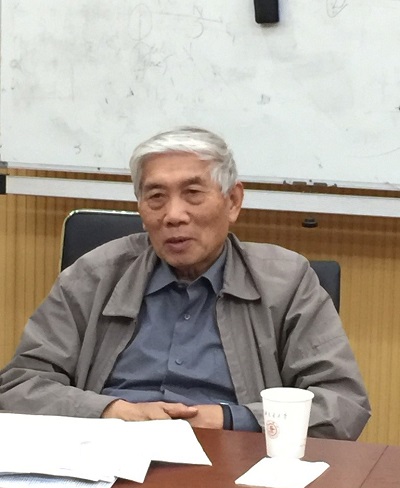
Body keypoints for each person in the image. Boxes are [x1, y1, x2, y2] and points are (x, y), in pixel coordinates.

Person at [0, 126, 370, 438]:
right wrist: (112, 411)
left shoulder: (286, 281)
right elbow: (19, 386)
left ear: (233, 201)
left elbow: (341, 404)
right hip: (106, 451)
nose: (173, 215)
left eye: (193, 194)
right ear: (140, 207)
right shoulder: (94, 275)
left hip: (232, 459)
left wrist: (228, 419)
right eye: (156, 197)